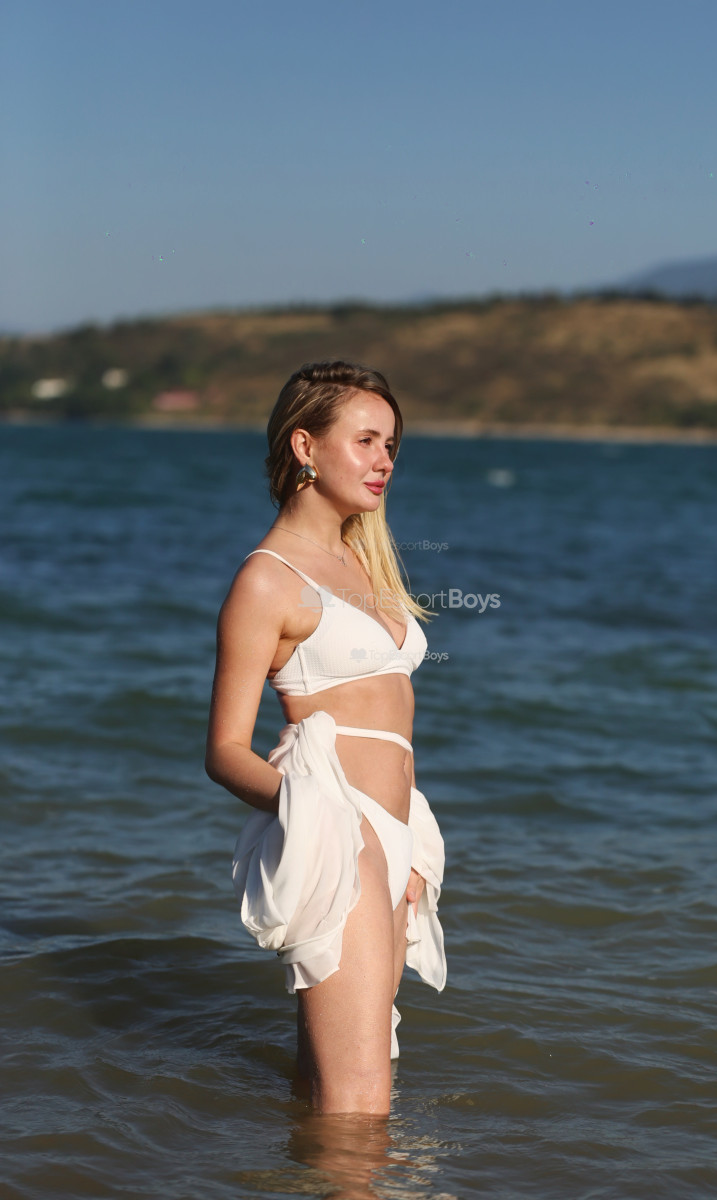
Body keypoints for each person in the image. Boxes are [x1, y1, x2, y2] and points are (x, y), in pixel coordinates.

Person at [205, 361, 446, 1115]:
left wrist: (408, 836)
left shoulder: (365, 561)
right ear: (305, 446)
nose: (384, 460)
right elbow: (225, 751)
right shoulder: (268, 579)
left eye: (391, 445)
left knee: (328, 1090)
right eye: (366, 440)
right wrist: (323, 817)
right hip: (339, 835)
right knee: (363, 1101)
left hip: (394, 832)